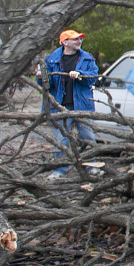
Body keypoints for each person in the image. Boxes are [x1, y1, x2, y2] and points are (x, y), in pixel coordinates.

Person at [37, 30, 102, 179]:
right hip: (59, 106)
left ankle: (92, 167)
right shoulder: (51, 60)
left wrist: (80, 75)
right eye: (75, 39)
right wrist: (41, 77)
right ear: (65, 42)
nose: (79, 41)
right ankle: (59, 170)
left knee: (88, 137)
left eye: (79, 39)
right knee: (61, 140)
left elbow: (93, 77)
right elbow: (47, 85)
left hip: (82, 106)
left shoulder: (87, 58)